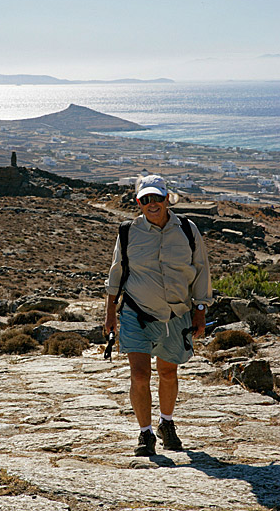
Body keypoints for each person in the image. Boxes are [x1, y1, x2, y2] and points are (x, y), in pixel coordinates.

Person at [105, 174, 213, 456]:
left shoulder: (188, 230)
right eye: (145, 199)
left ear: (167, 199)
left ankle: (166, 423)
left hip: (177, 314)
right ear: (139, 202)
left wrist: (200, 310)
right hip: (136, 313)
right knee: (140, 376)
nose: (151, 204)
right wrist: (109, 315)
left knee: (168, 372)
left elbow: (201, 271)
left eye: (157, 198)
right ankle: (145, 434)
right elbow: (116, 272)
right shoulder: (128, 232)